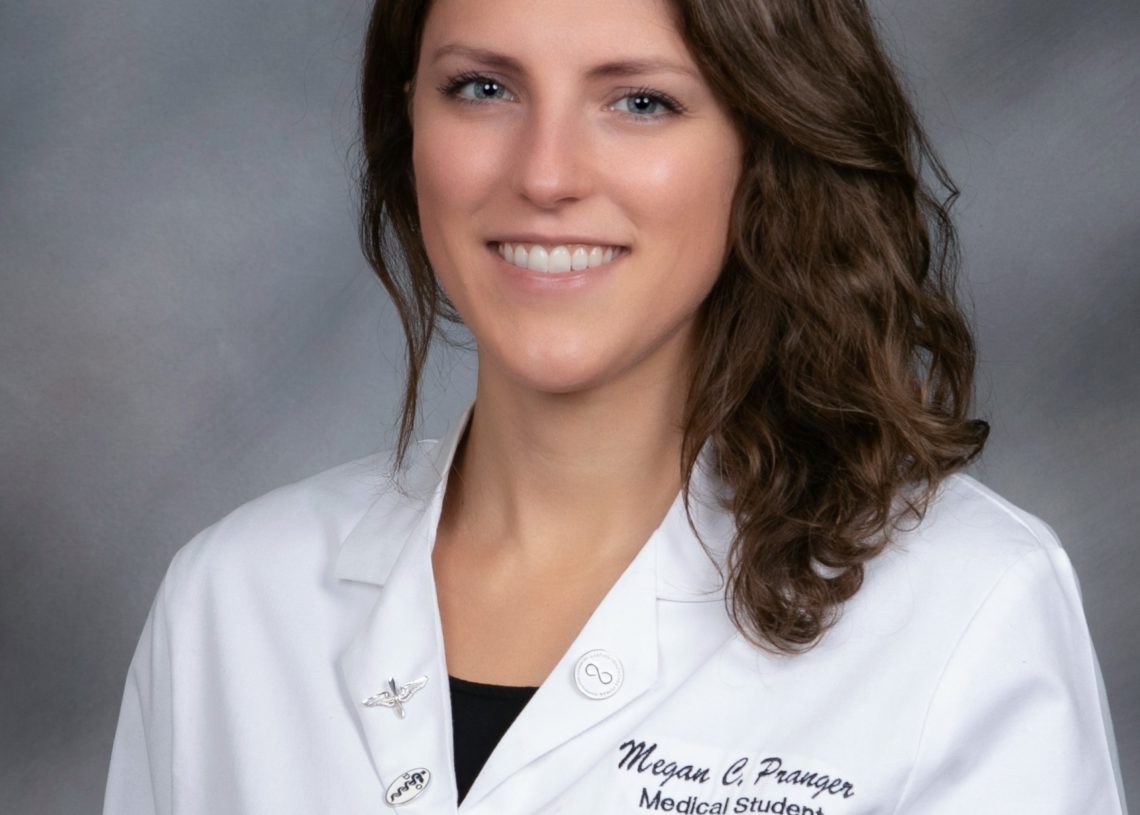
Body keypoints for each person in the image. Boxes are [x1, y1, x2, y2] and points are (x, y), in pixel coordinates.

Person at [104, 0, 1128, 812]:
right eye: (483, 88)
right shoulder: (232, 602)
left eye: (639, 101)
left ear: (765, 142)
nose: (546, 174)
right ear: (407, 120)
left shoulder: (965, 609)